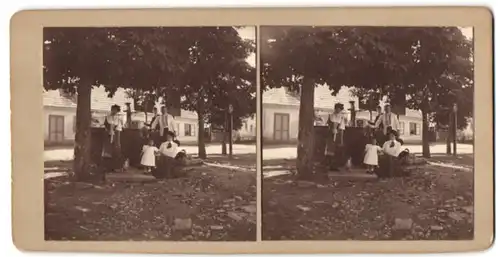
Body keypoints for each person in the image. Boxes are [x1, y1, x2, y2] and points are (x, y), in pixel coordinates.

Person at [102, 104, 124, 172]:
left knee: (116, 149)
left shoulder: (119, 118)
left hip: (116, 134)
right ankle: (107, 167)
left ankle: (116, 167)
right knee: (107, 149)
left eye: (115, 110)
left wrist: (113, 130)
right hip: (108, 134)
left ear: (117, 111)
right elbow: (105, 124)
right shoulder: (108, 117)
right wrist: (109, 130)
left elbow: (119, 127)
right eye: (112, 109)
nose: (113, 111)